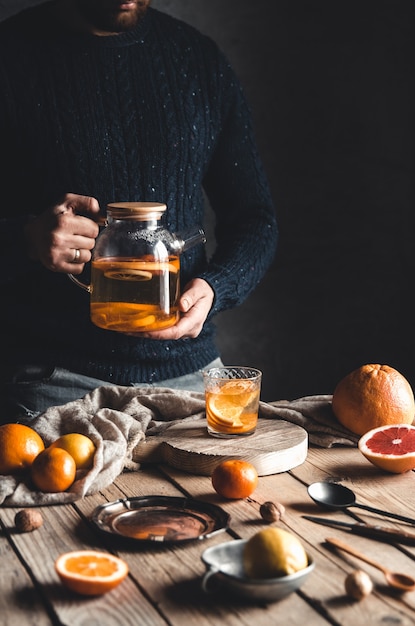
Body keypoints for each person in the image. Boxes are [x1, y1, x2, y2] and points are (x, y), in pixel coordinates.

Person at [0, 0, 278, 425]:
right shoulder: (11, 55)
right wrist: (26, 239)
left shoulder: (197, 60)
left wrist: (216, 288)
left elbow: (255, 219)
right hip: (53, 384)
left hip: (192, 377)